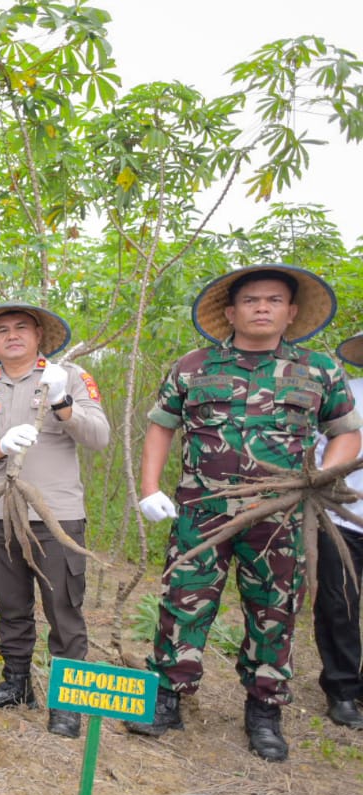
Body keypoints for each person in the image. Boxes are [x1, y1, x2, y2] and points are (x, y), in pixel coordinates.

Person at [129, 264, 362, 762]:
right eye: (252, 300)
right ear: (230, 312)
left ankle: (264, 710)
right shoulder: (193, 366)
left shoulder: (317, 370)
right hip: (201, 509)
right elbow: (161, 427)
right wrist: (149, 488)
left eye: (274, 300)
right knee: (184, 602)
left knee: (274, 610)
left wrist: (324, 477)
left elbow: (345, 430)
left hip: (280, 515)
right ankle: (167, 696)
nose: (262, 307)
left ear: (291, 312)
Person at [0, 303, 110, 737]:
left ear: (38, 334)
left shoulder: (69, 378)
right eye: (1, 330)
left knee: (63, 609)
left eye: (21, 328)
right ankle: (16, 683)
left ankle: (68, 703)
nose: (12, 336)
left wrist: (62, 403)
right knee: (10, 605)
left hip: (55, 515)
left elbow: (99, 437)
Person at [313, 331, 363, 730]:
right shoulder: (347, 396)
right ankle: (343, 689)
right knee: (339, 604)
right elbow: (318, 454)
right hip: (342, 518)